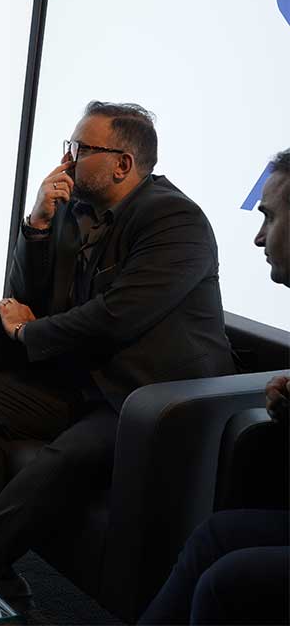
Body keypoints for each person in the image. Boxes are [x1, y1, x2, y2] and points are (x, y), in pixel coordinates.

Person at [0, 102, 235, 595]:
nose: (68, 160)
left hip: (149, 398)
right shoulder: (75, 210)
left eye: (81, 149)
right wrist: (38, 224)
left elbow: (116, 316)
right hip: (86, 385)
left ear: (123, 164)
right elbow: (25, 296)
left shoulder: (175, 219)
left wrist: (28, 334)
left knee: (61, 460)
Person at [138, 147, 290, 625]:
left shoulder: (174, 222)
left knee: (227, 581)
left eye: (270, 217)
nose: (259, 237)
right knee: (215, 536)